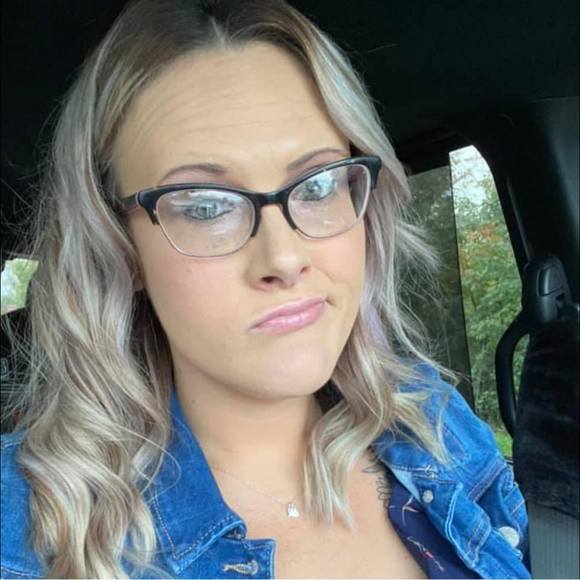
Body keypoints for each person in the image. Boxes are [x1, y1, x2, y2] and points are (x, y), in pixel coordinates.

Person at [0, 1, 530, 578]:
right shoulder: (27, 529)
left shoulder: (432, 420)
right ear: (120, 248)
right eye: (206, 207)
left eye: (318, 184)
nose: (285, 258)